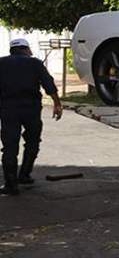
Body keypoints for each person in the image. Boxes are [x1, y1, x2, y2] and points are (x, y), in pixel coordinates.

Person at [0, 38, 63, 196]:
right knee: (33, 141)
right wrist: (57, 103)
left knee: (9, 146)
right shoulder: (35, 63)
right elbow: (48, 83)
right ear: (26, 49)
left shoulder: (1, 63)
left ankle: (11, 184)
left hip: (8, 110)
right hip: (31, 110)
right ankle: (24, 175)